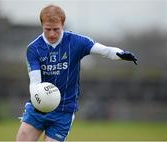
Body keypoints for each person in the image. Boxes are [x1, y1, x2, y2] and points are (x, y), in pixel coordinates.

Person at [16, 4, 137, 142]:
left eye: (56, 29)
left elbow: (104, 50)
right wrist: (38, 102)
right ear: (42, 25)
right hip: (38, 109)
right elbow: (35, 82)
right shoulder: (34, 48)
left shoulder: (76, 42)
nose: (51, 34)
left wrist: (120, 54)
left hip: (64, 111)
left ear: (63, 24)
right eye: (47, 29)